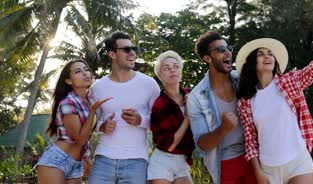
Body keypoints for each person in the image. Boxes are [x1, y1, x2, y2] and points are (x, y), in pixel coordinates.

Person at [236, 8, 313, 184]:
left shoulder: (289, 82)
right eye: (261, 54)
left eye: (270, 54)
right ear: (252, 63)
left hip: (298, 161)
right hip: (268, 169)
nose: (267, 57)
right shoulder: (245, 102)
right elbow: (250, 140)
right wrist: (258, 172)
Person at [87, 31, 160, 184]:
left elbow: (160, 123)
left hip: (137, 160)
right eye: (126, 49)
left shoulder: (149, 84)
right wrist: (102, 126)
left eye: (133, 48)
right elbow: (90, 124)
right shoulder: (97, 88)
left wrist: (140, 120)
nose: (132, 52)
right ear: (112, 54)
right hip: (103, 158)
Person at [187, 31, 257, 184]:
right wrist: (224, 128)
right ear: (207, 58)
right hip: (225, 162)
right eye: (220, 50)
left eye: (228, 48)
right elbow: (203, 145)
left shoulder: (243, 80)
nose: (228, 53)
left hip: (254, 157)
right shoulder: (197, 97)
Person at [35, 59, 111, 184]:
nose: (85, 73)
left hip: (76, 164)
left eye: (86, 70)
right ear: (69, 80)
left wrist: (86, 158)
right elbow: (80, 139)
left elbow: (87, 136)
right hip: (56, 160)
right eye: (78, 71)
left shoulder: (90, 102)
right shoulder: (68, 102)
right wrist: (92, 112)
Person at [148, 50, 195, 184]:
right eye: (166, 68)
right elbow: (170, 146)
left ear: (181, 70)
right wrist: (188, 117)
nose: (172, 70)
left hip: (183, 161)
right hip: (163, 160)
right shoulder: (159, 105)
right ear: (160, 76)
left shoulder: (192, 95)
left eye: (176, 66)